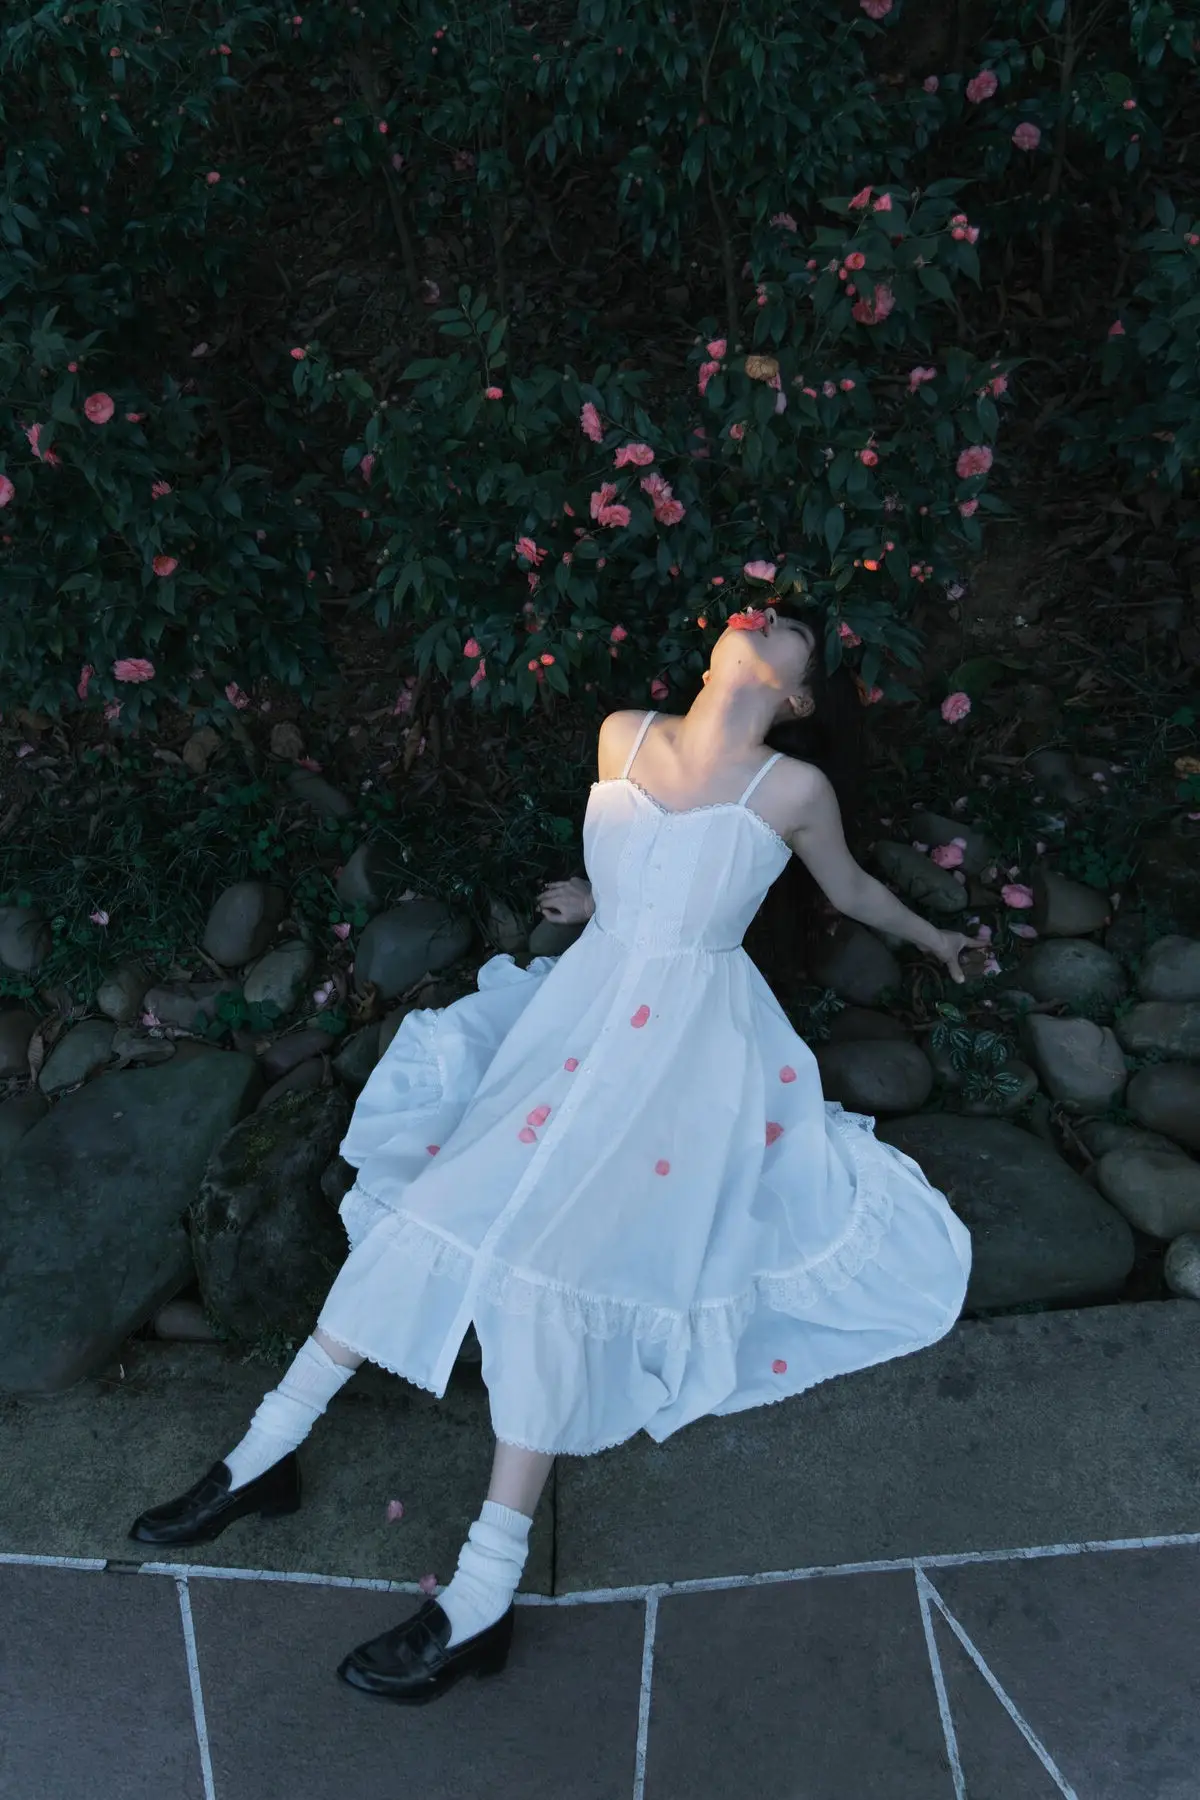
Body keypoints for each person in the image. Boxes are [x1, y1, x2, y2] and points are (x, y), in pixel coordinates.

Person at [129, 593, 978, 1705]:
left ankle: (481, 1593)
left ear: (797, 695)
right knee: (432, 1211)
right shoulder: (623, 736)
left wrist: (937, 935)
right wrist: (600, 897)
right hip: (574, 1027)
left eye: (788, 633)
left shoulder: (792, 790)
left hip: (686, 1058)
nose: (761, 619)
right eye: (761, 611)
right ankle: (258, 1456)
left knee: (551, 1270)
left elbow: (850, 886)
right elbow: (643, 867)